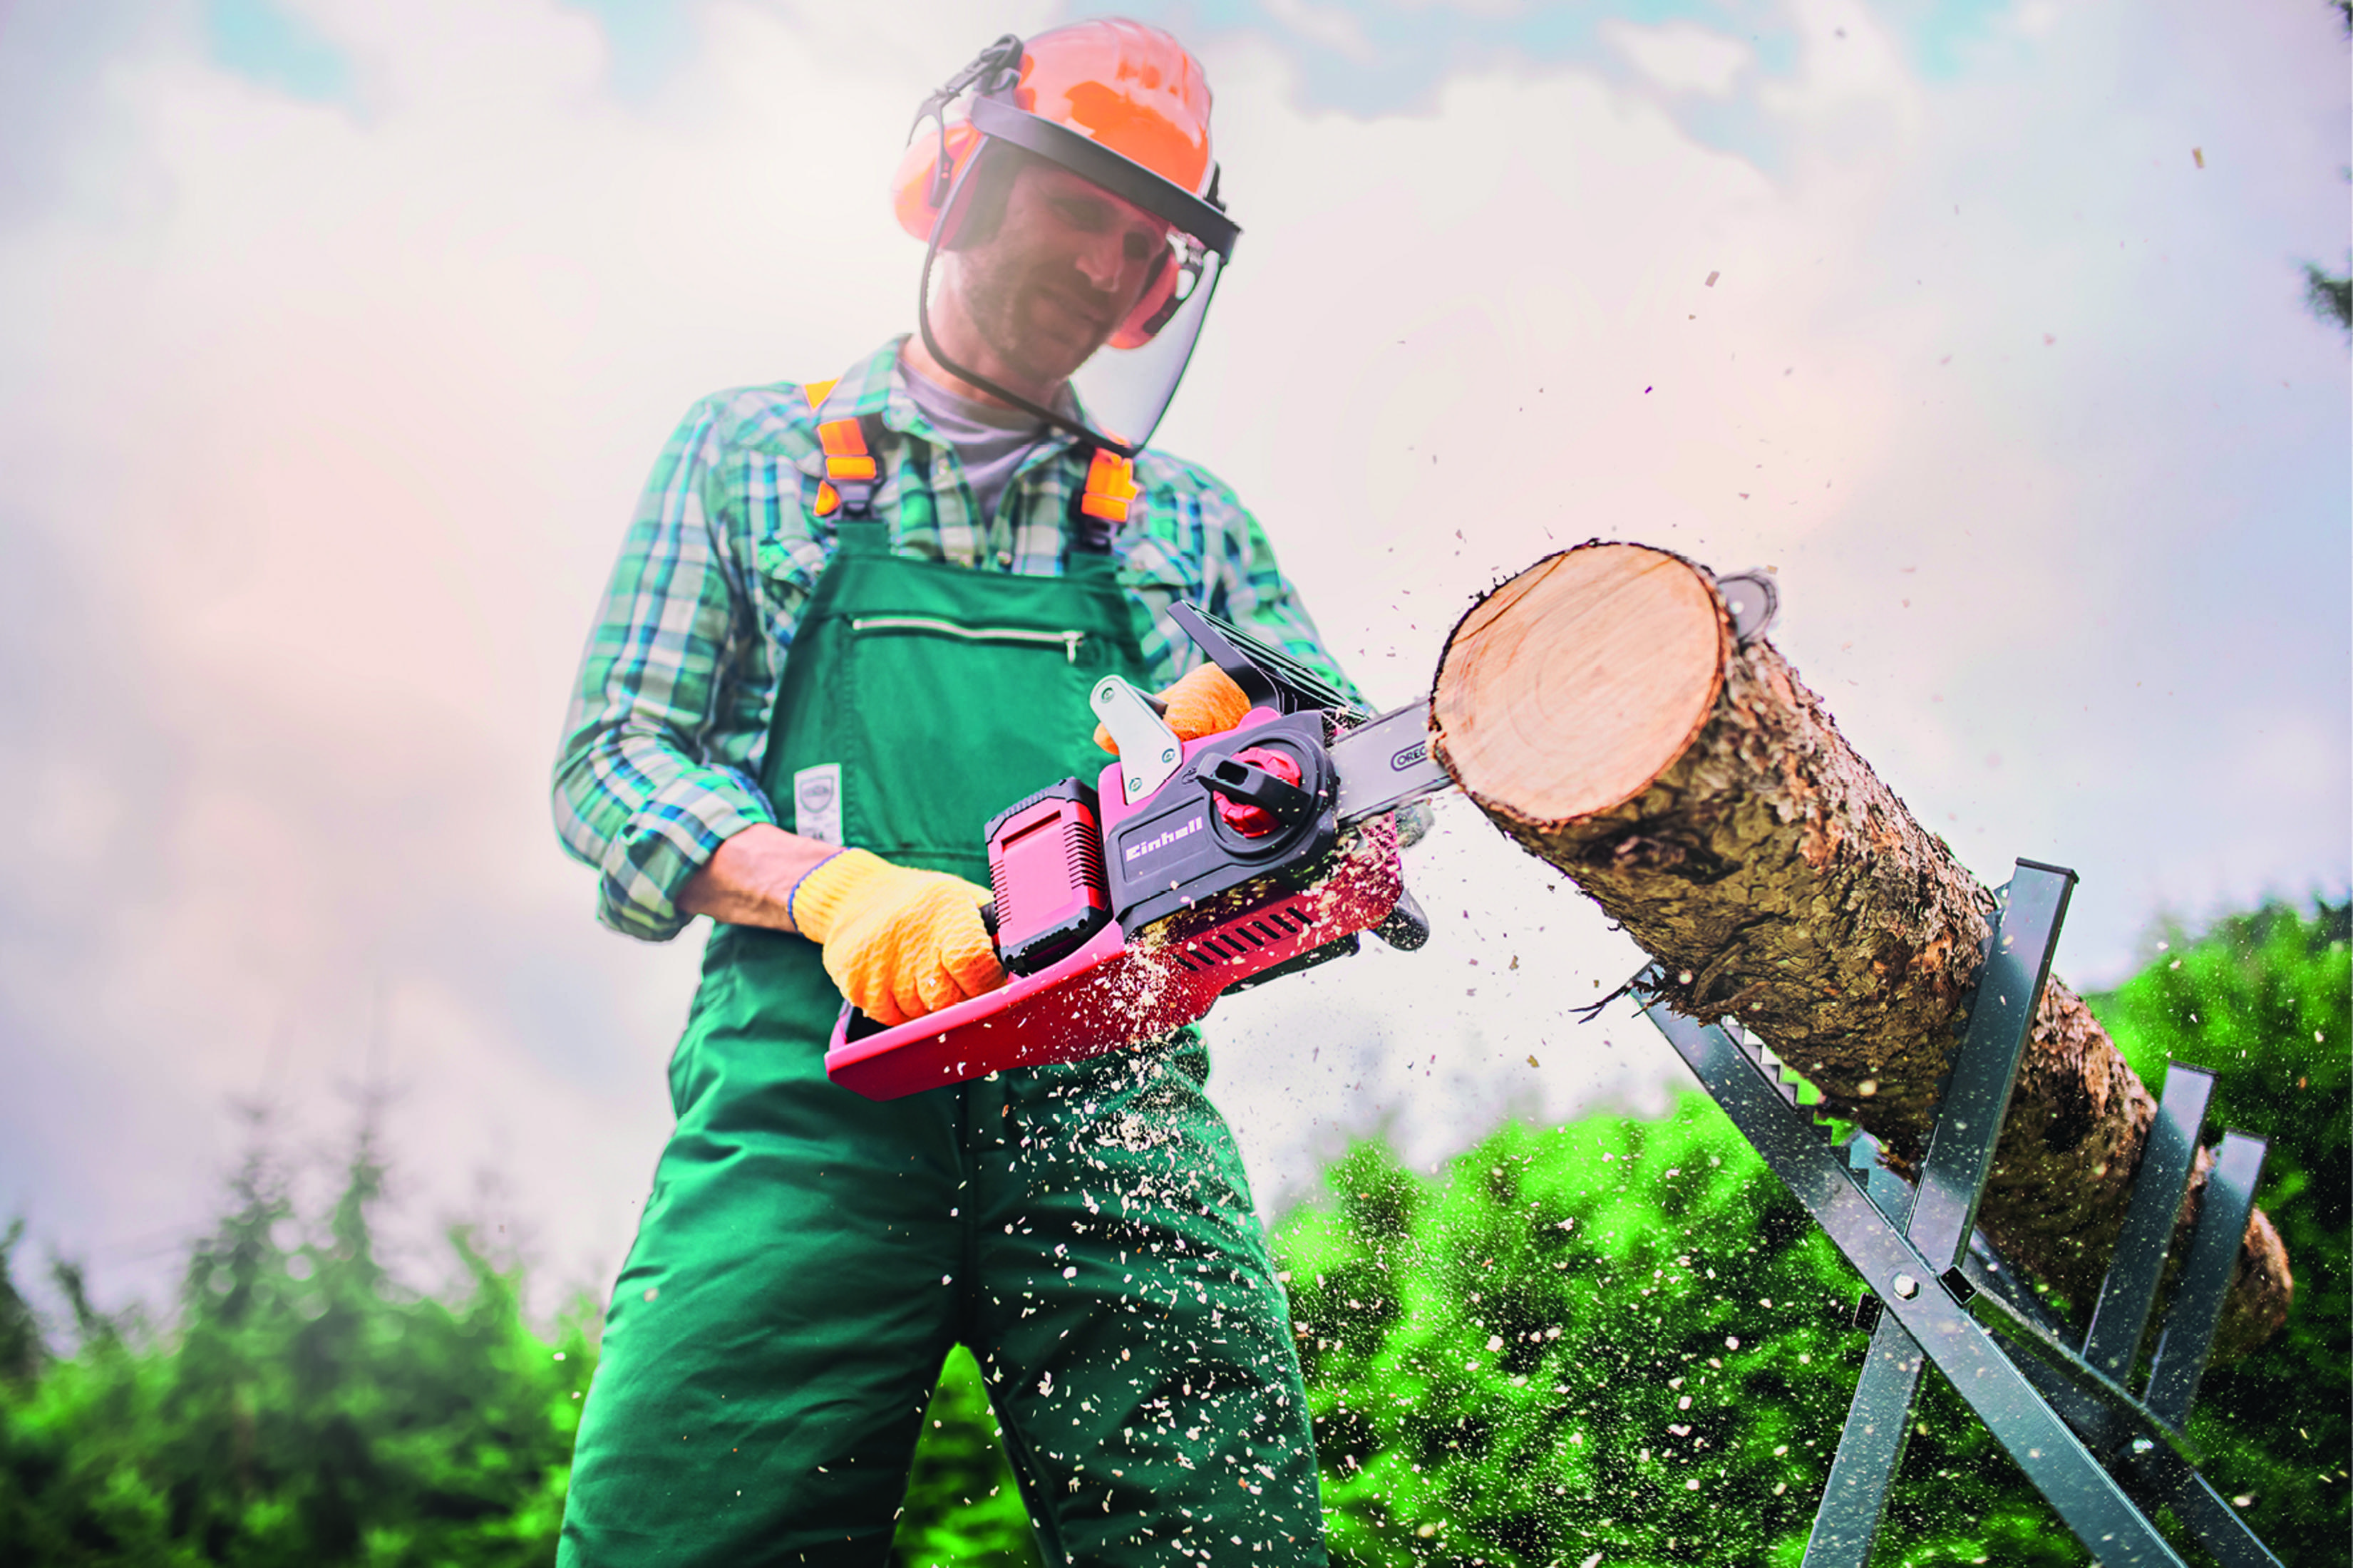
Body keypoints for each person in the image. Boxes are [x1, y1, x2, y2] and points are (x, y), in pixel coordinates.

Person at [551, 19, 1355, 1564]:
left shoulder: (1184, 519)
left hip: (1112, 1089)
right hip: (812, 1080)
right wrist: (831, 887)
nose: (1112, 268)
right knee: (684, 1521)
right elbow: (612, 760)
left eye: (1150, 246)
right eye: (1085, 208)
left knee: (1220, 1531)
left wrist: (1260, 755)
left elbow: (1331, 755)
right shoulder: (758, 452)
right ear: (962, 180)